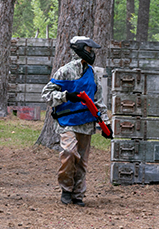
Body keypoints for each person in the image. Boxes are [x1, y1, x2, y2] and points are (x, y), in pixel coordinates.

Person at [41, 36, 112, 206]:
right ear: (79, 49)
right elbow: (46, 95)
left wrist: (106, 124)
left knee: (82, 162)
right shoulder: (64, 71)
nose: (91, 53)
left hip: (87, 123)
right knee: (69, 153)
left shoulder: (93, 74)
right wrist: (66, 95)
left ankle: (77, 195)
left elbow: (98, 101)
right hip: (67, 122)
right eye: (89, 49)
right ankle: (66, 189)